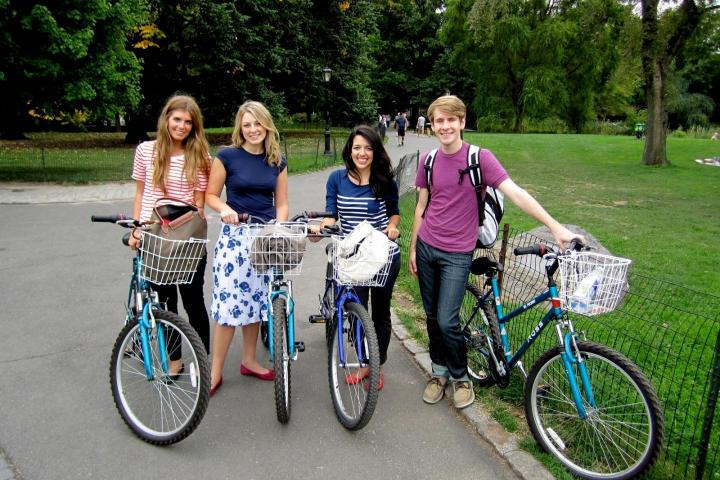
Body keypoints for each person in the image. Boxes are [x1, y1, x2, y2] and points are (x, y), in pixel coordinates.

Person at [409, 95, 581, 409]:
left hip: (458, 253)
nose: (445, 126)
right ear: (431, 125)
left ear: (461, 122)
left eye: (451, 120)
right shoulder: (428, 161)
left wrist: (555, 227)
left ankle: (460, 377)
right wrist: (413, 248)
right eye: (439, 121)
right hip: (427, 247)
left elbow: (515, 193)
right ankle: (438, 373)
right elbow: (421, 207)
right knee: (433, 317)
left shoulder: (480, 158)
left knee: (447, 320)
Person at [205, 100, 289, 396]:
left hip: (264, 237)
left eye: (258, 124)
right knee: (229, 305)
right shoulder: (227, 156)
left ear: (267, 125)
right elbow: (210, 195)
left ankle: (249, 360)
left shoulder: (276, 160)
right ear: (240, 128)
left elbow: (281, 202)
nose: (253, 130)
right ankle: (214, 371)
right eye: (247, 124)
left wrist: (279, 226)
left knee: (256, 301)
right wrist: (225, 209)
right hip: (236, 237)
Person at [129, 94, 212, 375]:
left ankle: (202, 360)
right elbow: (142, 193)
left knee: (193, 301)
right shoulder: (146, 151)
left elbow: (199, 201)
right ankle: (174, 361)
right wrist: (137, 229)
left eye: (188, 122)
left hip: (187, 235)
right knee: (165, 304)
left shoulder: (199, 155)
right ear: (166, 119)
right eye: (177, 119)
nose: (182, 126)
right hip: (154, 235)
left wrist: (178, 225)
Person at [313, 125, 400, 391]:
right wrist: (321, 228)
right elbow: (331, 215)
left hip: (381, 254)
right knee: (356, 311)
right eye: (357, 147)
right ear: (350, 150)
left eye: (368, 148)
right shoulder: (336, 179)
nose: (362, 153)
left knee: (381, 313)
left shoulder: (385, 180)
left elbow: (394, 213)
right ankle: (365, 362)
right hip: (352, 257)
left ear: (375, 151)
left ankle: (377, 365)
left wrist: (393, 226)